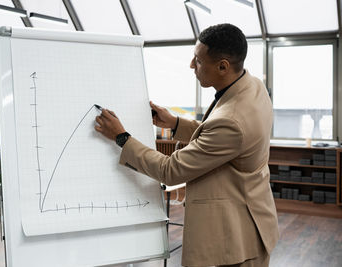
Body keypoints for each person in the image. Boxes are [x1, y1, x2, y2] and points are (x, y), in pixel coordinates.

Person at [94, 23, 279, 267]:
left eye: (198, 61)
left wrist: (121, 137)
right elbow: (222, 137)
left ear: (223, 66)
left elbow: (170, 171)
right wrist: (175, 123)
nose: (192, 66)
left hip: (237, 237)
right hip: (251, 215)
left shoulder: (232, 121)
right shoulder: (252, 85)